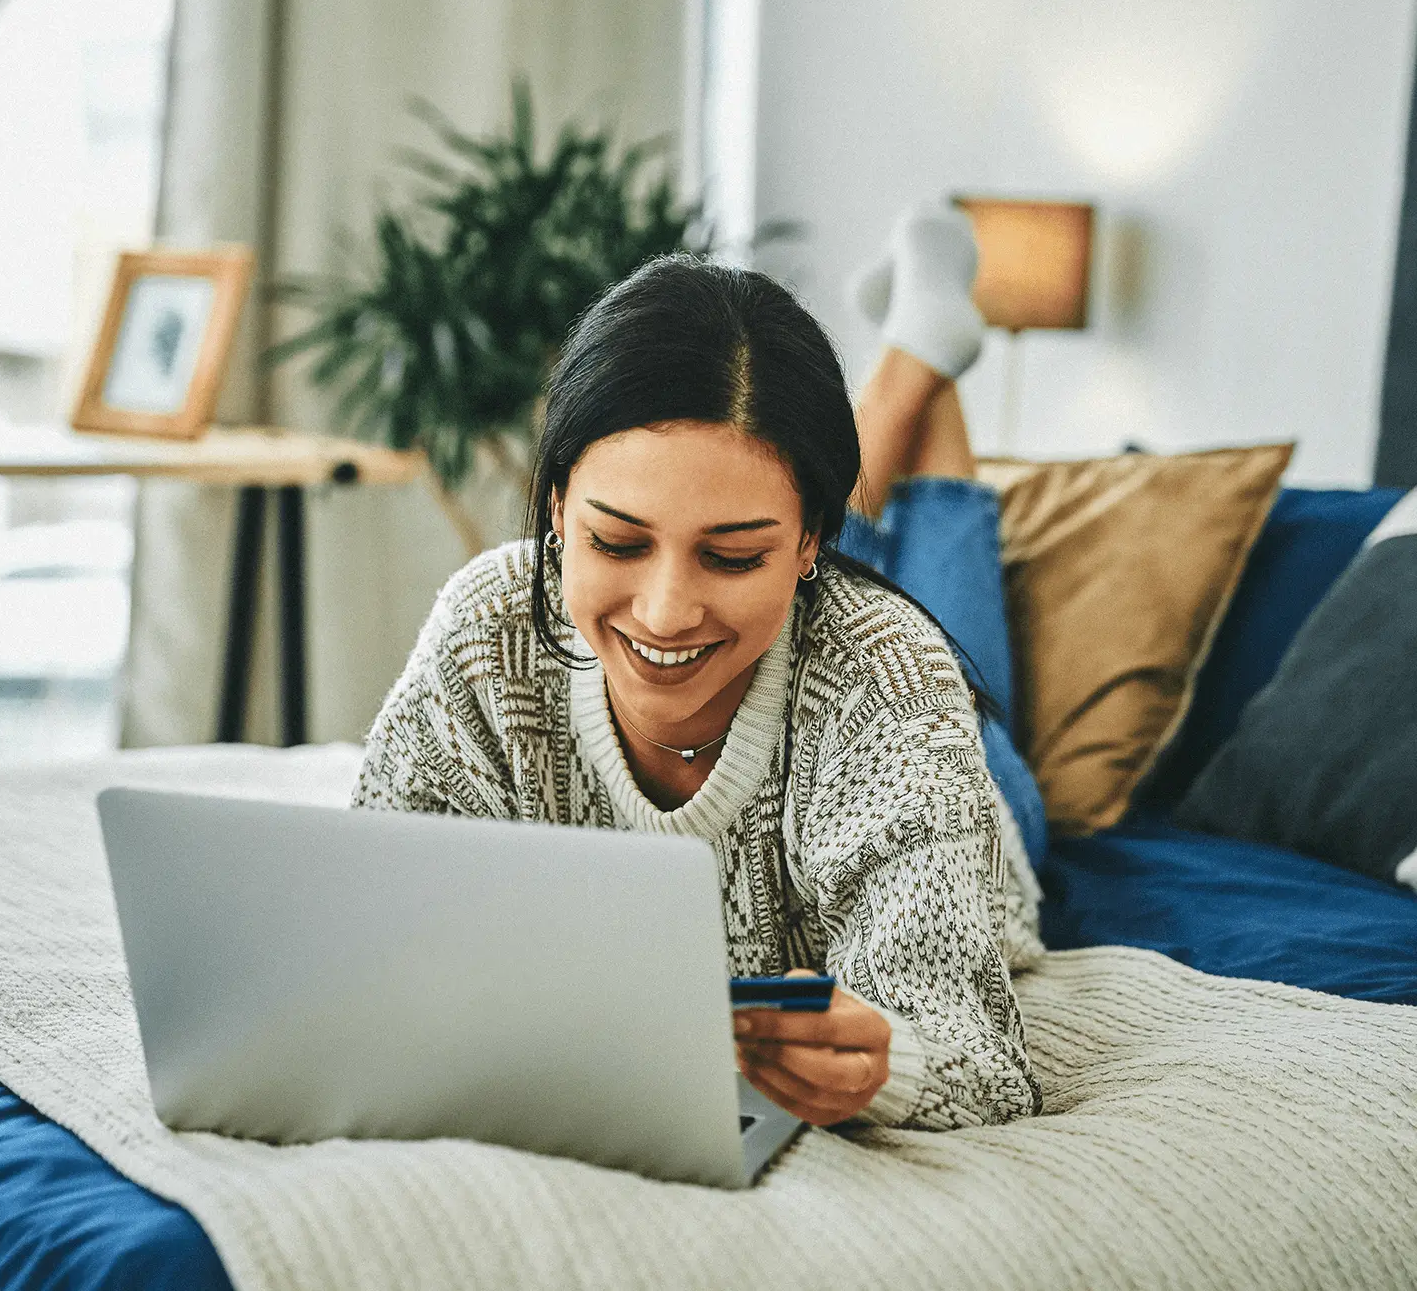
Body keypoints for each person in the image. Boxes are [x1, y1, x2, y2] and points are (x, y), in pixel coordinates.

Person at [354, 220, 1044, 1132]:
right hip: (804, 633)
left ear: (808, 544)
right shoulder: (490, 626)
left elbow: (981, 1061)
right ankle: (923, 348)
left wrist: (889, 1067)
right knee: (832, 602)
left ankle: (919, 354)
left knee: (944, 641)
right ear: (557, 506)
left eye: (731, 557)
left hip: (975, 790)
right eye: (616, 542)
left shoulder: (894, 680)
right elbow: (366, 929)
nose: (664, 611)